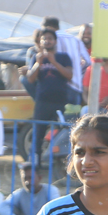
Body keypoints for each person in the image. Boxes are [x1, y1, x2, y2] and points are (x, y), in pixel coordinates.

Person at [26, 28, 74, 168]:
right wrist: (38, 64)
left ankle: (63, 164)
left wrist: (54, 62)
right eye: (44, 39)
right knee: (38, 133)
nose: (47, 41)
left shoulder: (63, 57)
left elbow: (69, 75)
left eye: (50, 39)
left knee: (63, 132)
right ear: (40, 42)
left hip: (61, 101)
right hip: (43, 102)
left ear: (55, 41)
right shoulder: (36, 58)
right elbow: (30, 79)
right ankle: (35, 165)